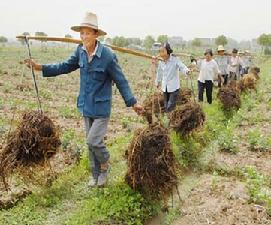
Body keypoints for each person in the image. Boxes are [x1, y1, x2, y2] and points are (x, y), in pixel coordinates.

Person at [24, 12, 143, 187]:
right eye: (82, 33)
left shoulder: (107, 56)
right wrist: (40, 67)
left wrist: (132, 103)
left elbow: (121, 80)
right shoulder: (79, 52)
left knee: (93, 141)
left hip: (101, 108)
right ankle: (95, 176)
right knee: (90, 145)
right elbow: (64, 66)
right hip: (86, 105)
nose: (84, 36)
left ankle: (105, 164)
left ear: (96, 34)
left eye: (88, 33)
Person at [155, 43, 190, 112]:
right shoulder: (161, 61)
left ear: (168, 51)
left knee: (170, 105)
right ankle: (169, 117)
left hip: (174, 87)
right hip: (165, 87)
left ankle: (170, 119)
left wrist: (187, 71)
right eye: (160, 51)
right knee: (166, 105)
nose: (161, 54)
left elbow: (182, 66)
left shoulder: (175, 59)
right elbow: (159, 72)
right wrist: (157, 82)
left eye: (163, 51)